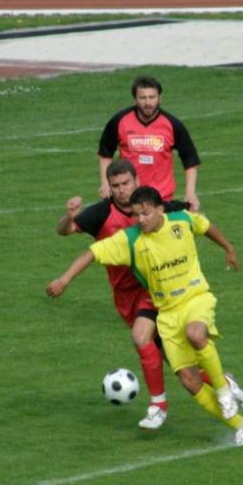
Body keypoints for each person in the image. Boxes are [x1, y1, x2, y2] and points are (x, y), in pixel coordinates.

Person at [47, 186, 243, 446]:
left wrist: (228, 247)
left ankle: (221, 391)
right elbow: (92, 253)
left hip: (195, 299)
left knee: (195, 334)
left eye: (145, 214)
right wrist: (64, 279)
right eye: (136, 215)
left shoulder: (181, 220)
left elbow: (205, 226)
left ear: (160, 209)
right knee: (189, 381)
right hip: (167, 314)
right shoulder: (130, 239)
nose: (140, 220)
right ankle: (242, 426)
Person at [55, 159, 189, 430]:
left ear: (136, 181)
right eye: (115, 185)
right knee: (179, 364)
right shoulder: (101, 213)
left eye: (126, 183)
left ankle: (158, 405)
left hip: (153, 290)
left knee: (142, 339)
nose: (121, 189)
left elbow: (185, 218)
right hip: (126, 297)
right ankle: (223, 384)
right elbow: (64, 231)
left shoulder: (149, 207)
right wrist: (69, 216)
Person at [98, 75, 201, 211]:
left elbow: (190, 160)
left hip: (161, 198)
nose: (148, 103)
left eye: (152, 97)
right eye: (143, 98)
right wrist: (105, 182)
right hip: (128, 198)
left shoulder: (172, 124)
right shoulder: (120, 121)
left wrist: (190, 191)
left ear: (160, 98)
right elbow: (105, 153)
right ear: (135, 99)